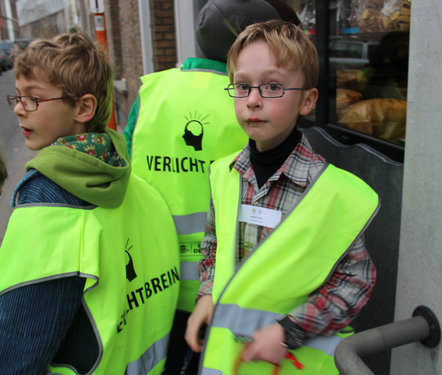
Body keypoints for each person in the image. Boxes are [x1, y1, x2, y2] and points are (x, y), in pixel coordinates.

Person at [185, 20, 380, 374]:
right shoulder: (222, 175)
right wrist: (206, 295)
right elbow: (214, 246)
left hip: (296, 364)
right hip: (228, 361)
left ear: (307, 100)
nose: (253, 100)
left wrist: (291, 329)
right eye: (242, 86)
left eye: (272, 86)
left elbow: (356, 280)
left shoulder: (333, 194)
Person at [124, 1, 299, 373]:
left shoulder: (151, 93)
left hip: (150, 280)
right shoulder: (256, 102)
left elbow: (128, 169)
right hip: (223, 289)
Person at [0, 31, 179, 374]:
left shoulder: (47, 202)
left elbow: (17, 350)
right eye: (18, 97)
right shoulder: (138, 188)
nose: (20, 110)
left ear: (83, 107)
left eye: (34, 99)